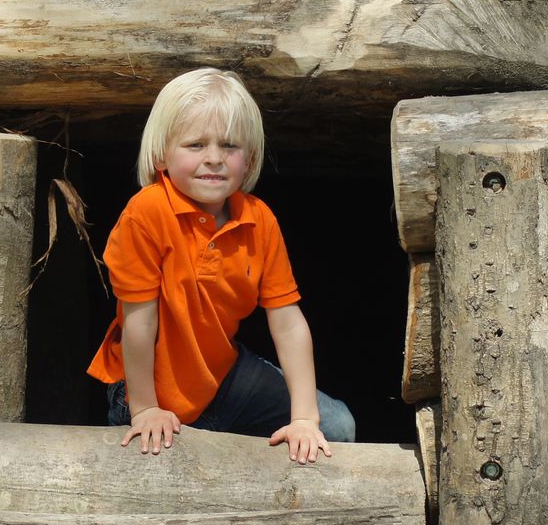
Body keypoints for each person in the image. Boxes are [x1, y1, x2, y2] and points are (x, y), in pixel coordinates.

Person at [87, 67, 355, 464]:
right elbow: (138, 321)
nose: (213, 159)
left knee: (336, 427)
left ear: (249, 159)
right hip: (150, 389)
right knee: (151, 479)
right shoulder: (147, 213)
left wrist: (303, 419)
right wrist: (145, 408)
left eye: (229, 145)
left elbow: (287, 321)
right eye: (195, 145)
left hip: (224, 378)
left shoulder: (259, 219)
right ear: (161, 153)